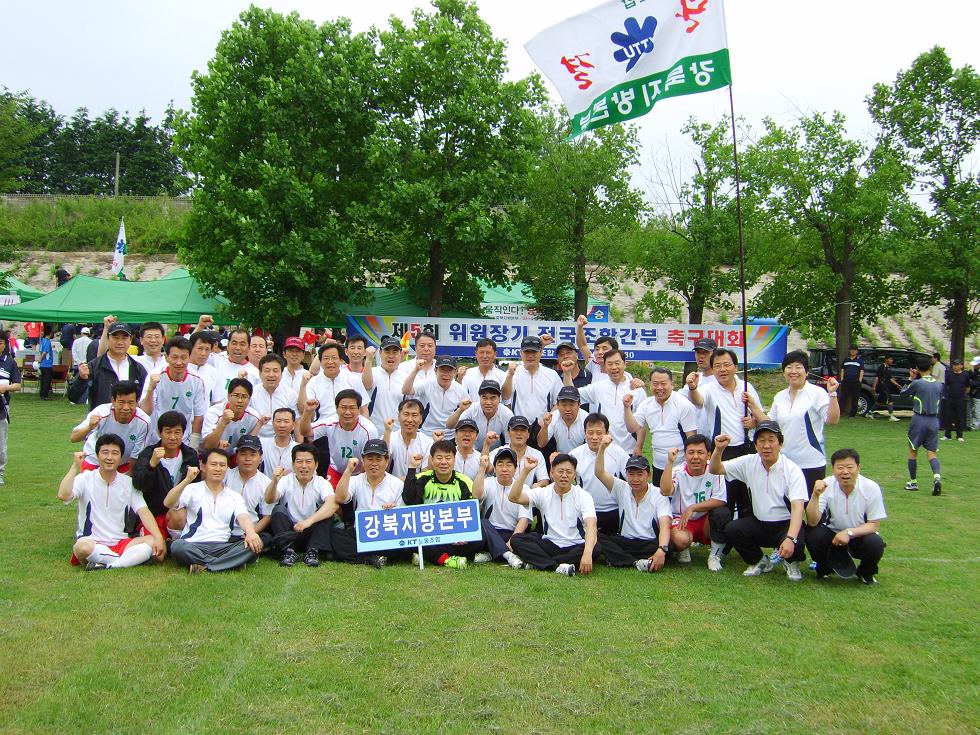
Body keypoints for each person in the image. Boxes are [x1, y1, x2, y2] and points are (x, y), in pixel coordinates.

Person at [708, 422, 808, 581]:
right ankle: (759, 561)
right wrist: (719, 449)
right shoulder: (750, 462)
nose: (766, 445)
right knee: (733, 529)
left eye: (771, 440)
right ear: (755, 445)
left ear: (780, 444)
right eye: (761, 440)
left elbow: (797, 508)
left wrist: (790, 538)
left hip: (785, 524)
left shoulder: (792, 470)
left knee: (796, 538)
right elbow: (715, 469)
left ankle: (791, 562)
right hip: (760, 523)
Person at [58, 436, 167, 571]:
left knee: (152, 541)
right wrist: (75, 466)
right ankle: (127, 560)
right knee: (81, 547)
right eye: (105, 452)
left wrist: (158, 537)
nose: (110, 457)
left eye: (115, 453)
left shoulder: (128, 483)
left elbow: (143, 511)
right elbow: (63, 495)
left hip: (121, 542)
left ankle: (109, 564)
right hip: (93, 542)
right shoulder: (85, 479)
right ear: (97, 455)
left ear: (121, 458)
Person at [744, 350, 840, 496]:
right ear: (784, 372)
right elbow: (771, 424)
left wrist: (832, 394)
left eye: (798, 367)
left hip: (811, 463)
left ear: (806, 372)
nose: (793, 371)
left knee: (811, 506)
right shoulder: (780, 396)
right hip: (784, 463)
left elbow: (832, 420)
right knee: (786, 506)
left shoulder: (817, 393)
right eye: (789, 367)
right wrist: (752, 405)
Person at [402, 440, 505, 569]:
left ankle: (428, 555)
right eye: (439, 458)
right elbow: (409, 500)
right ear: (432, 460)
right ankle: (448, 559)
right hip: (432, 535)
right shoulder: (422, 478)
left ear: (454, 460)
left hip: (458, 537)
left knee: (483, 527)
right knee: (415, 538)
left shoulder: (464, 481)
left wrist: (461, 534)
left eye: (448, 458)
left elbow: (470, 513)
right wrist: (412, 468)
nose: (443, 462)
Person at [685, 348, 762, 517]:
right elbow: (698, 401)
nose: (722, 369)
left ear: (735, 367)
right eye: (717, 366)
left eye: (726, 365)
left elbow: (760, 415)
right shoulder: (709, 389)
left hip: (747, 449)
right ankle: (722, 531)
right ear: (713, 369)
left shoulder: (746, 387)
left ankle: (746, 526)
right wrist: (692, 387)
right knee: (724, 498)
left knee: (747, 497)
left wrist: (753, 422)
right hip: (722, 451)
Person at [167, 448, 263, 572]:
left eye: (222, 465)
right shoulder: (192, 489)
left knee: (254, 545)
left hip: (222, 545)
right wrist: (187, 480)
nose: (218, 469)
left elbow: (243, 517)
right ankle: (228, 563)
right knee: (177, 546)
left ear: (227, 468)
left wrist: (251, 533)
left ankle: (204, 566)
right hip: (194, 544)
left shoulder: (234, 496)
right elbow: (168, 502)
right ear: (203, 466)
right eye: (213, 464)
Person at [805, 448, 886, 584]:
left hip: (859, 535)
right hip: (832, 536)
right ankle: (824, 569)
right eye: (840, 467)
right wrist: (815, 495)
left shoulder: (871, 488)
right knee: (814, 535)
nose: (845, 472)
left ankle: (865, 572)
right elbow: (812, 522)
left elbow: (874, 525)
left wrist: (849, 533)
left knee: (875, 543)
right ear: (833, 469)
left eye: (849, 467)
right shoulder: (827, 485)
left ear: (858, 468)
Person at [508, 454, 599, 576]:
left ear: (574, 475)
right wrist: (526, 471)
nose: (564, 475)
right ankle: (557, 566)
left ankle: (541, 563)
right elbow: (514, 497)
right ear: (552, 472)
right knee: (517, 539)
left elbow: (591, 525)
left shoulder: (583, 496)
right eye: (560, 471)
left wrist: (587, 554)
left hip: (575, 545)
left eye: (569, 472)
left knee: (595, 547)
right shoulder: (543, 492)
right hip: (550, 544)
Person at [594, 437, 673, 572]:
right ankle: (635, 562)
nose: (635, 479)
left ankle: (619, 559)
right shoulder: (621, 488)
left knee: (669, 545)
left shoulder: (658, 494)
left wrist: (661, 549)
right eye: (631, 474)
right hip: (625, 541)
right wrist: (601, 449)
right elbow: (599, 473)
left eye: (640, 474)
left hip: (649, 542)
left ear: (648, 475)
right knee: (597, 537)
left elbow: (665, 524)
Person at [660, 436, 729, 570]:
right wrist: (669, 463)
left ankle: (714, 556)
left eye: (700, 452)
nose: (695, 457)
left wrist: (693, 508)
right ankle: (683, 549)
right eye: (691, 453)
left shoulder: (715, 469)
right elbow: (665, 491)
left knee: (722, 514)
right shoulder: (678, 471)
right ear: (685, 455)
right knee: (680, 540)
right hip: (682, 519)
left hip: (705, 520)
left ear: (708, 455)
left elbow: (720, 499)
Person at [331, 440, 403, 568]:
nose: (374, 463)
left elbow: (402, 518)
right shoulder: (356, 480)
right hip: (361, 534)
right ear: (363, 461)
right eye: (370, 459)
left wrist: (392, 510)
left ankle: (359, 555)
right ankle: (370, 558)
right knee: (334, 534)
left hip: (386, 534)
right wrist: (348, 470)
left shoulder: (397, 484)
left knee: (401, 546)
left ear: (386, 461)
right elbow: (340, 498)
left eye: (378, 459)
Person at [264, 444, 338, 567]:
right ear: (293, 465)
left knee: (326, 512)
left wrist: (308, 522)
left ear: (316, 465)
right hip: (290, 533)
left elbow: (333, 505)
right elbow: (269, 499)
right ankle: (288, 551)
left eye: (308, 462)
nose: (304, 466)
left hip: (312, 532)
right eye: (299, 462)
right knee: (278, 510)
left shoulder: (322, 483)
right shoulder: (286, 480)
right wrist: (274, 482)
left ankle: (313, 551)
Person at [132, 410, 200, 539]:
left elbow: (196, 488)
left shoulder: (190, 455)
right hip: (153, 514)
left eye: (177, 432)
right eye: (168, 432)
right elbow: (139, 484)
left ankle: (175, 542)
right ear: (159, 433)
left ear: (183, 433)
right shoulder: (148, 454)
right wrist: (152, 464)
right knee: (154, 549)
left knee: (178, 516)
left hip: (179, 513)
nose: (173, 437)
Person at [626, 367, 697, 485]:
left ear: (672, 384)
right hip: (658, 465)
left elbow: (692, 438)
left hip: (680, 466)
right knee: (660, 495)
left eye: (663, 384)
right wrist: (626, 407)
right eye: (655, 384)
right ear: (650, 384)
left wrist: (690, 465)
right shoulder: (646, 404)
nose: (659, 388)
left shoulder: (683, 404)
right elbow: (632, 428)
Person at [567, 349, 646, 453]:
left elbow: (642, 423)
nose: (614, 367)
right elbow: (571, 394)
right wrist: (567, 373)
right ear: (605, 366)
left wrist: (639, 447)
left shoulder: (637, 390)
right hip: (603, 448)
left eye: (617, 363)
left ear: (624, 364)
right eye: (609, 364)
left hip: (628, 450)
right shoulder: (598, 387)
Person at [140, 336, 208, 449]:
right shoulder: (155, 376)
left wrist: (194, 445)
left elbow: (199, 415)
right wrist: (151, 389)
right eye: (174, 357)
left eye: (183, 357)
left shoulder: (197, 380)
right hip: (156, 439)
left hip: (184, 440)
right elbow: (145, 411)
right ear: (167, 358)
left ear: (189, 357)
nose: (179, 362)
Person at [70, 380, 152, 472]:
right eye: (121, 402)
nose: (126, 407)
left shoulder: (144, 422)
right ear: (113, 401)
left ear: (137, 402)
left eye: (130, 402)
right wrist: (89, 427)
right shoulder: (101, 412)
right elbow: (74, 438)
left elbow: (136, 456)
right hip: (95, 462)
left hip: (122, 464)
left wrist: (128, 476)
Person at [302, 388, 379, 485]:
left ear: (359, 409)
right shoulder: (330, 423)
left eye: (352, 408)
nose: (347, 412)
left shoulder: (369, 430)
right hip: (336, 471)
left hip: (360, 474)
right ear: (336, 408)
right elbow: (306, 432)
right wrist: (307, 412)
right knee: (330, 494)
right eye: (343, 407)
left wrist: (359, 483)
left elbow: (369, 460)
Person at [570, 413, 629, 534]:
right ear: (585, 433)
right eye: (590, 433)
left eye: (599, 433)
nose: (594, 437)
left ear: (607, 433)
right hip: (587, 510)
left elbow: (631, 477)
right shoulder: (575, 455)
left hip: (614, 509)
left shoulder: (618, 452)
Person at [501, 336, 563, 447]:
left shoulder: (551, 374)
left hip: (543, 427)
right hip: (519, 427)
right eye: (527, 352)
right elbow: (505, 397)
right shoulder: (513, 372)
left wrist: (548, 419)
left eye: (534, 352)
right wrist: (510, 375)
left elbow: (559, 402)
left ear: (541, 353)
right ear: (521, 353)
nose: (530, 355)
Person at [70, 321, 148, 409]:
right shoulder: (94, 366)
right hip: (100, 417)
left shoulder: (138, 369)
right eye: (115, 338)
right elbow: (74, 397)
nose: (120, 342)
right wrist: (82, 379)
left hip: (130, 417)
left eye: (124, 338)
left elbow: (144, 400)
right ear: (107, 338)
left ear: (130, 340)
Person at [472, 451, 530, 569]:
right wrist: (482, 469)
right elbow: (476, 496)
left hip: (510, 534)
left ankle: (492, 554)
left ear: (515, 468)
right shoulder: (488, 483)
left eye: (509, 465)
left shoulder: (524, 488)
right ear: (494, 468)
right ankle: (507, 554)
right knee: (482, 523)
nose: (504, 469)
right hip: (488, 532)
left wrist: (511, 542)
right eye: (500, 464)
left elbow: (524, 520)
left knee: (527, 540)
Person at [901, 357, 944, 494]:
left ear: (917, 369)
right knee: (932, 453)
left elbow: (903, 394)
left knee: (913, 451)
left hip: (919, 420)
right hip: (933, 421)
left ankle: (913, 482)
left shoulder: (917, 383)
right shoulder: (939, 385)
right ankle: (937, 477)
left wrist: (911, 378)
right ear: (930, 368)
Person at [402, 354, 469, 438]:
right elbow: (406, 391)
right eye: (442, 370)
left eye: (449, 371)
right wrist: (416, 370)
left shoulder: (460, 390)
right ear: (435, 370)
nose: (446, 374)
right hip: (426, 434)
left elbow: (467, 412)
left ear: (455, 372)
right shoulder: (427, 384)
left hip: (450, 436)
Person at [224, 435, 273, 546]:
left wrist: (250, 534)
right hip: (224, 532)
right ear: (236, 457)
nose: (247, 459)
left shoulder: (266, 483)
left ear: (260, 457)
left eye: (252, 454)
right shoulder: (226, 476)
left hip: (250, 532)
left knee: (265, 539)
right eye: (243, 454)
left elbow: (267, 516)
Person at [301, 341, 363, 422]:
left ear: (340, 360)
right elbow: (309, 411)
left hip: (350, 424)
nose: (330, 362)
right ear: (320, 361)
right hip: (322, 425)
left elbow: (363, 409)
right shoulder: (313, 382)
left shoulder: (353, 379)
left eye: (334, 358)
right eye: (326, 358)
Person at [447, 380, 513, 452]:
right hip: (471, 452)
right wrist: (460, 410)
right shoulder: (471, 409)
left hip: (496, 453)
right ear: (479, 397)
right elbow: (449, 426)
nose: (488, 402)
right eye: (484, 397)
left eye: (493, 398)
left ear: (499, 398)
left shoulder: (507, 414)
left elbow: (510, 443)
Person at [361, 336, 411, 433]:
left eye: (395, 352)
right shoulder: (371, 373)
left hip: (398, 433)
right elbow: (366, 385)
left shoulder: (406, 378)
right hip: (374, 431)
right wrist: (368, 359)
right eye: (387, 351)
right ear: (380, 353)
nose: (391, 356)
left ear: (400, 354)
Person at [201, 378, 261, 451]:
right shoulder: (213, 413)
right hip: (213, 454)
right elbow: (207, 446)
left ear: (249, 399)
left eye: (244, 397)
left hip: (237, 455)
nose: (240, 400)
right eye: (236, 395)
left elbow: (252, 445)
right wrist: (223, 423)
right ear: (228, 396)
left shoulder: (254, 417)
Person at [488, 415, 549, 487]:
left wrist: (538, 485)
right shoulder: (497, 452)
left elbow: (544, 480)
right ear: (508, 433)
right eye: (515, 430)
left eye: (523, 430)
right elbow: (487, 468)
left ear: (528, 434)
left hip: (527, 492)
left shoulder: (537, 454)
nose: (519, 433)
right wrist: (487, 444)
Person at [249, 353, 300, 438]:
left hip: (282, 440)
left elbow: (297, 421)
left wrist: (299, 444)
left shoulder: (291, 394)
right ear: (260, 373)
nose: (271, 375)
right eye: (267, 370)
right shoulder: (251, 393)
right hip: (255, 439)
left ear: (282, 373)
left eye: (275, 371)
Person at [679, 337, 719, 438]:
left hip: (719, 437)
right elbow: (677, 398)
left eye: (705, 352)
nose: (701, 356)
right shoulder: (694, 378)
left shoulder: (722, 380)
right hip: (698, 438)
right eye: (698, 352)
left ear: (715, 354)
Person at [384, 398, 434, 478]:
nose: (410, 420)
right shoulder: (389, 437)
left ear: (421, 419)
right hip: (390, 483)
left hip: (416, 484)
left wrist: (406, 481)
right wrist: (387, 431)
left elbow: (426, 473)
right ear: (398, 416)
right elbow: (382, 465)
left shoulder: (428, 443)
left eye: (414, 415)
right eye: (406, 414)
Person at [538, 386, 589, 455]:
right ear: (558, 405)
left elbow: (591, 446)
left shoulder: (587, 419)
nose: (567, 409)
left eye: (571, 405)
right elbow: (541, 444)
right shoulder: (553, 417)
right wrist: (545, 426)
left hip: (581, 457)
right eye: (564, 405)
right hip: (560, 458)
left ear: (579, 405)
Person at [0, 330, 22, 485]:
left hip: (2, 406)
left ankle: (0, 473)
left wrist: (5, 388)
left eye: (0, 343)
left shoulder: (9, 362)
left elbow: (17, 385)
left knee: (1, 442)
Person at [575, 314, 619, 383]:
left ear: (615, 351)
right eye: (597, 349)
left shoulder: (624, 375)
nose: (600, 352)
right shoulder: (594, 364)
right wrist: (580, 327)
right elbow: (582, 346)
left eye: (604, 349)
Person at [260, 407, 299, 476]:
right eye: (278, 421)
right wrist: (259, 424)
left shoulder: (299, 449)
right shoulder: (262, 443)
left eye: (286, 421)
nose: (282, 425)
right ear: (273, 424)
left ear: (293, 425)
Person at [187, 330, 220, 404]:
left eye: (207, 349)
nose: (203, 353)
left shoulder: (214, 373)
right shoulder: (181, 369)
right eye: (200, 348)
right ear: (191, 348)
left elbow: (217, 401)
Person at [943, 359, 970, 442]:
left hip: (960, 398)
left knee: (959, 417)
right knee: (948, 416)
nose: (955, 366)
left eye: (957, 365)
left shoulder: (965, 375)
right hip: (950, 398)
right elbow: (946, 385)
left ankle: (959, 435)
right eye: (954, 365)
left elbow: (967, 387)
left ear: (961, 366)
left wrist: (963, 395)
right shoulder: (949, 374)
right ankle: (947, 435)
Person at [871, 355, 902, 421]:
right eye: (890, 359)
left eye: (892, 359)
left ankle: (869, 413)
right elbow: (877, 377)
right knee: (890, 401)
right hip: (883, 387)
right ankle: (891, 416)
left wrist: (897, 384)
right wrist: (874, 387)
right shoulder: (882, 367)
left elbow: (890, 378)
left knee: (879, 402)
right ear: (886, 360)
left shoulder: (888, 368)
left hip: (887, 387)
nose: (892, 361)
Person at [837, 345, 864, 418]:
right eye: (852, 350)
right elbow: (842, 370)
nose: (853, 351)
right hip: (846, 381)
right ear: (849, 351)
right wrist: (842, 379)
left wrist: (860, 380)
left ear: (857, 351)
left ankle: (852, 414)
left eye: (855, 350)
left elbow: (861, 371)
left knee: (855, 398)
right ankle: (839, 412)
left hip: (856, 382)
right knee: (843, 397)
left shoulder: (860, 360)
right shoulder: (846, 360)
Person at [38, 324, 54, 400]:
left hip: (43, 364)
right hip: (47, 364)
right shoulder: (47, 341)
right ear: (50, 333)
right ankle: (45, 395)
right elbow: (45, 352)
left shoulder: (43, 341)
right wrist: (40, 359)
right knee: (47, 380)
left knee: (43, 380)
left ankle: (42, 394)